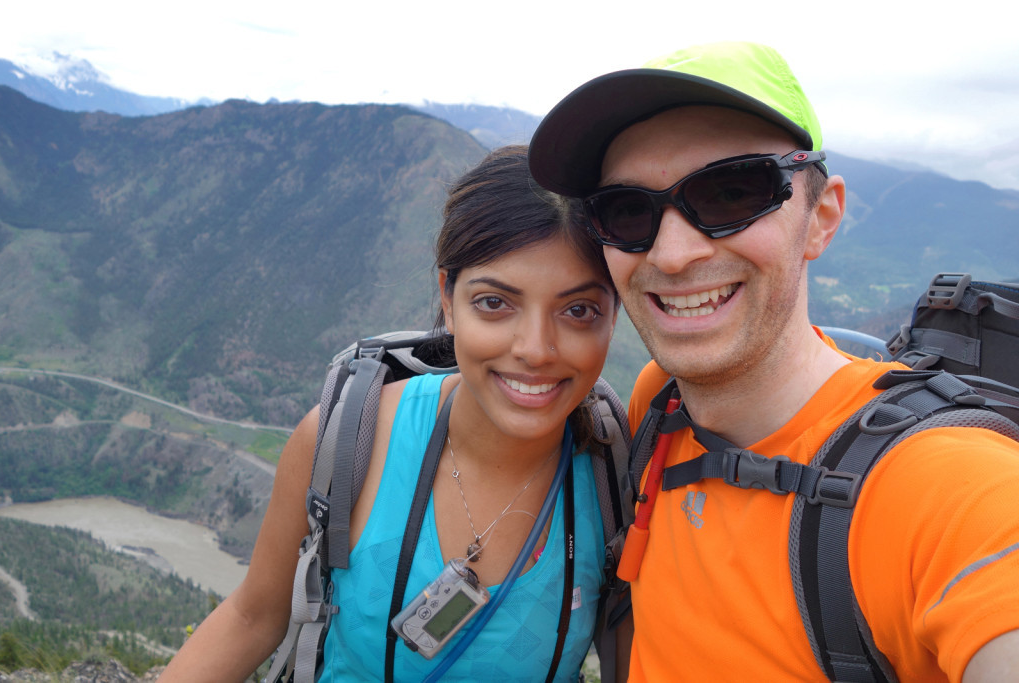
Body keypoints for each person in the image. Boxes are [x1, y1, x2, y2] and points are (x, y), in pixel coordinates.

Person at [528, 41, 1019, 682]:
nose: (673, 254)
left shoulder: (946, 485)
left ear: (821, 216)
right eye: (626, 210)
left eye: (730, 193)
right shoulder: (661, 400)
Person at [159, 145, 621, 682]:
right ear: (448, 297)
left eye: (579, 310)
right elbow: (250, 618)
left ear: (615, 314)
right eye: (495, 302)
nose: (536, 348)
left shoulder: (619, 475)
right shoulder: (348, 437)